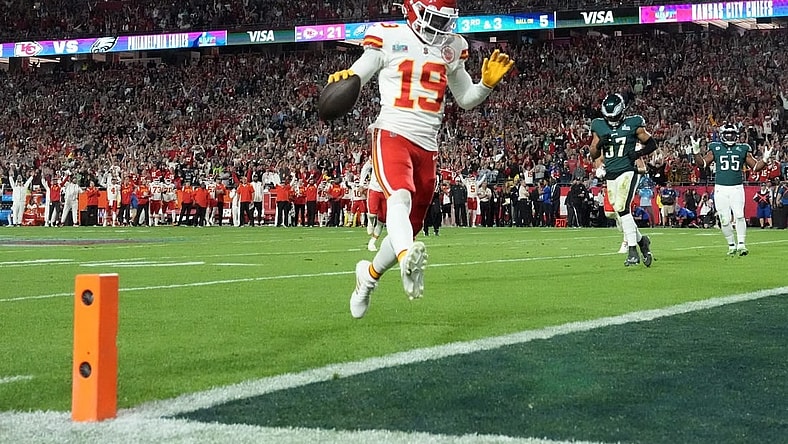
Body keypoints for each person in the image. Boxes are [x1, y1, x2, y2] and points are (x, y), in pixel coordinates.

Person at [333, 0, 514, 318]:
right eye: (435, 19)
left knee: (409, 228)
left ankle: (368, 278)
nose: (441, 27)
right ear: (414, 10)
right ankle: (407, 261)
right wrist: (346, 78)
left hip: (428, 147)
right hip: (392, 132)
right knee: (399, 198)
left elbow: (465, 99)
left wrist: (485, 85)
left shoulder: (452, 46)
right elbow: (359, 73)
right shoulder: (388, 35)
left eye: (445, 21)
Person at [590, 93, 656, 267]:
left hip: (628, 171)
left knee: (622, 207)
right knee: (617, 212)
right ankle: (642, 241)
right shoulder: (598, 125)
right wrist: (599, 144)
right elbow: (593, 153)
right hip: (611, 173)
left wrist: (638, 153)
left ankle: (632, 251)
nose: (612, 120)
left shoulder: (633, 123)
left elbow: (652, 143)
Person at [691, 125, 771, 255]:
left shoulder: (742, 148)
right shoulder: (715, 147)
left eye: (732, 134)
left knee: (739, 215)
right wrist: (696, 152)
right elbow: (702, 164)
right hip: (721, 189)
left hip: (736, 188)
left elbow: (756, 167)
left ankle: (741, 244)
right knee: (724, 220)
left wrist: (765, 159)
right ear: (722, 135)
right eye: (727, 134)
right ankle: (731, 245)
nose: (729, 137)